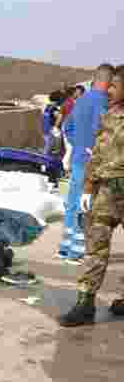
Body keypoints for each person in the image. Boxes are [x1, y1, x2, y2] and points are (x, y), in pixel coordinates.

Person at [59, 65, 124, 326]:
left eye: (115, 86)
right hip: (106, 192)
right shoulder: (110, 114)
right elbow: (97, 152)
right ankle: (85, 303)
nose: (109, 91)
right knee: (95, 247)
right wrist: (88, 187)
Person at [57, 64, 113, 261]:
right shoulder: (102, 102)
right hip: (91, 162)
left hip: (78, 159)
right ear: (109, 81)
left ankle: (66, 247)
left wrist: (78, 145)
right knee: (85, 206)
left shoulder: (80, 100)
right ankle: (77, 251)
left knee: (73, 203)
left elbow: (67, 127)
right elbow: (103, 131)